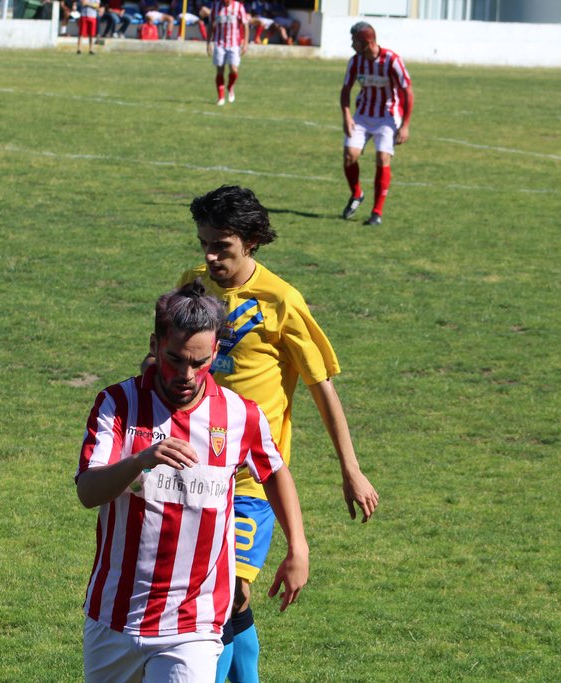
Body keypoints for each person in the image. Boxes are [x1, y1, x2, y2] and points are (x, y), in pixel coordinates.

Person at [171, 185, 379, 683]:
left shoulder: (282, 301)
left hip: (251, 481)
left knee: (229, 594)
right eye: (204, 243)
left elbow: (321, 387)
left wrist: (350, 469)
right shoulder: (194, 287)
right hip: (195, 472)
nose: (210, 256)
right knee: (223, 600)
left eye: (222, 246)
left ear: (252, 241)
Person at [78, 281, 309, 683]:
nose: (186, 374)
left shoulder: (240, 415)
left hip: (194, 624)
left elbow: (274, 471)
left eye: (200, 362)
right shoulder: (117, 404)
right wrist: (139, 461)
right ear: (155, 345)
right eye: (175, 359)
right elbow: (88, 491)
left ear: (215, 352)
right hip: (114, 617)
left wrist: (298, 547)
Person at [339, 21, 414, 226]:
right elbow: (345, 90)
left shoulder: (392, 60)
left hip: (388, 116)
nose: (352, 45)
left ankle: (376, 213)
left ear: (368, 42)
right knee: (349, 155)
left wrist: (405, 125)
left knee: (382, 157)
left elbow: (408, 92)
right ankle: (357, 194)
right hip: (363, 114)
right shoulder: (355, 61)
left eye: (355, 41)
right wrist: (347, 116)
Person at [207, 0, 247, 106]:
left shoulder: (238, 6)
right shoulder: (215, 6)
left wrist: (245, 43)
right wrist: (208, 42)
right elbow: (210, 24)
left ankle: (230, 86)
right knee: (220, 70)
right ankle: (221, 97)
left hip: (234, 44)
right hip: (219, 43)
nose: (225, 3)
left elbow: (245, 25)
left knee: (234, 69)